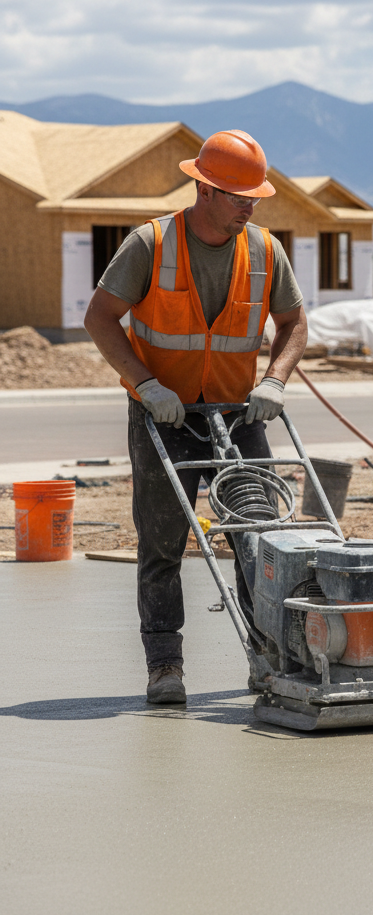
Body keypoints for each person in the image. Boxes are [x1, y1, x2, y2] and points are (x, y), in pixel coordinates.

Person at [84, 129, 307, 705]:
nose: (250, 206)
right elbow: (101, 318)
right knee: (162, 544)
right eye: (239, 196)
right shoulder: (149, 244)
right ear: (205, 189)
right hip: (165, 417)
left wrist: (276, 380)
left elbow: (294, 323)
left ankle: (269, 657)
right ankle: (165, 667)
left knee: (257, 541)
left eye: (254, 197)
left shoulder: (264, 250)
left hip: (239, 416)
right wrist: (144, 384)